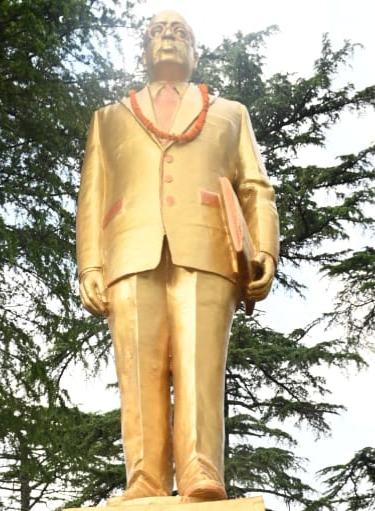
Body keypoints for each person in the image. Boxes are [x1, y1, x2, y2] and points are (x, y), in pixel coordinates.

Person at [76, 10, 279, 503]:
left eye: (179, 32)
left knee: (200, 364)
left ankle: (199, 471)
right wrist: (91, 265)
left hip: (207, 246)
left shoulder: (230, 113)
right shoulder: (108, 119)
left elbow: (256, 187)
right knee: (137, 370)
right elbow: (92, 196)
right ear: (144, 51)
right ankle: (144, 477)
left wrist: (264, 249)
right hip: (129, 249)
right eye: (157, 33)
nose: (167, 38)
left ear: (195, 52)